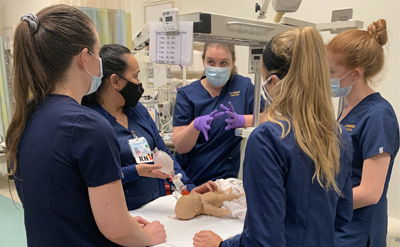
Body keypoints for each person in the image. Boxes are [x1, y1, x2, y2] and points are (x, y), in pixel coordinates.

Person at [6, 5, 166, 246]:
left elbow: (66, 205)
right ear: (84, 58)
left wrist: (128, 222)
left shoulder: (24, 117)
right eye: (98, 53)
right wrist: (147, 235)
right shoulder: (87, 126)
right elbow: (116, 228)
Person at [192, 27, 354, 247]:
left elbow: (264, 240)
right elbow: (342, 218)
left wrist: (222, 245)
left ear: (274, 83)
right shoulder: (339, 135)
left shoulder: (267, 139)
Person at [82, 44, 218, 210]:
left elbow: (165, 155)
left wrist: (188, 189)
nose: (139, 83)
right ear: (115, 81)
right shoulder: (92, 122)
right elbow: (96, 178)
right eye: (136, 76)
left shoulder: (137, 110)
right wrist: (135, 171)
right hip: (121, 213)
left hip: (156, 207)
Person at [326, 19, 399, 247]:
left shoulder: (378, 115)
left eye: (330, 71)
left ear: (355, 74)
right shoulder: (347, 109)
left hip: (357, 233)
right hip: (338, 226)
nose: (325, 77)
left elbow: (370, 192)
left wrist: (317, 201)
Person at [172, 43, 266, 186]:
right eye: (211, 62)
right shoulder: (187, 94)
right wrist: (194, 126)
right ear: (203, 61)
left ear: (233, 62)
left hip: (225, 178)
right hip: (191, 178)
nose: (217, 68)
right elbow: (180, 147)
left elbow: (270, 118)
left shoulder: (243, 86)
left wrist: (242, 120)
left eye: (223, 63)